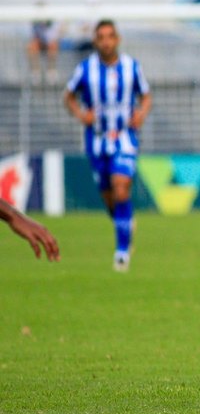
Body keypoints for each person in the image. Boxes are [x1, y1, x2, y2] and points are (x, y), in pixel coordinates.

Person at [64, 19, 152, 272]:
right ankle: (125, 222)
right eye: (100, 37)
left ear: (117, 39)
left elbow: (145, 96)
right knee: (109, 196)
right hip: (97, 139)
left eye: (109, 36)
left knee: (121, 187)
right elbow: (68, 96)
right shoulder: (85, 70)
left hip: (124, 137)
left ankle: (122, 252)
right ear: (95, 41)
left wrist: (141, 113)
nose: (105, 41)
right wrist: (81, 115)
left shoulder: (132, 67)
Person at [27, 1, 61, 85]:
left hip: (49, 44)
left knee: (53, 45)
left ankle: (51, 71)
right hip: (40, 44)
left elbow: (53, 38)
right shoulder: (34, 23)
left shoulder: (52, 22)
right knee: (32, 46)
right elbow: (33, 37)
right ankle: (35, 72)